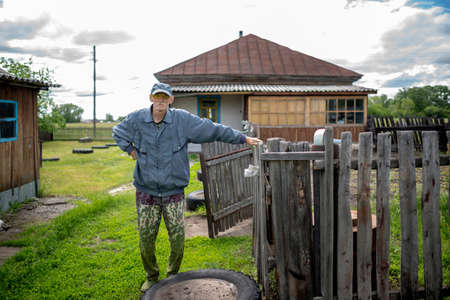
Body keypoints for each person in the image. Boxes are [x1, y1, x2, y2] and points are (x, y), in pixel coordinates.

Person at [112, 82, 261, 292]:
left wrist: (242, 138)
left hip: (173, 192)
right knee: (146, 237)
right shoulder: (137, 119)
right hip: (146, 191)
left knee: (178, 237)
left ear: (171, 100)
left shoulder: (182, 120)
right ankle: (152, 275)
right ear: (151, 98)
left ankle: (172, 275)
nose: (161, 101)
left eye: (165, 97)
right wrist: (129, 149)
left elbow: (213, 129)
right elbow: (117, 132)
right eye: (157, 97)